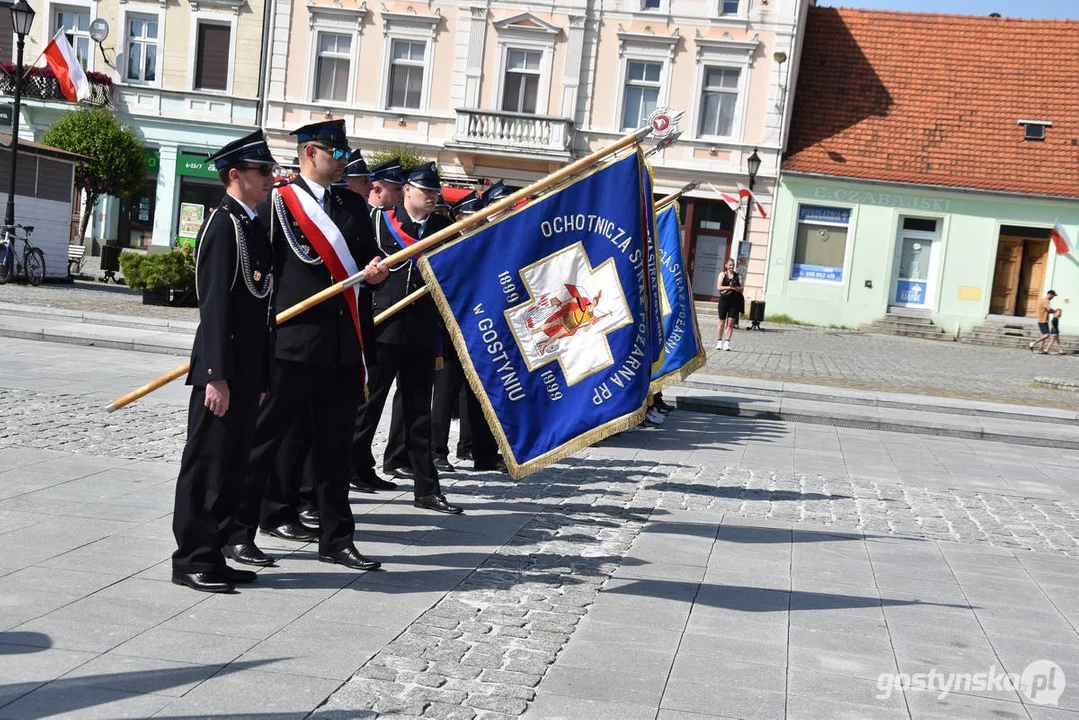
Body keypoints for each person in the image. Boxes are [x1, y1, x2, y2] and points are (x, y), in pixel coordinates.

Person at [225, 119, 389, 572]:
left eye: (343, 155)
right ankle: (239, 532)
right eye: (335, 153)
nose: (341, 161)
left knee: (335, 449)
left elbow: (371, 264)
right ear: (310, 152)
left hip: (341, 347)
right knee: (263, 442)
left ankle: (337, 539)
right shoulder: (277, 203)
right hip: (291, 346)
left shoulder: (354, 206)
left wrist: (378, 272)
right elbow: (258, 274)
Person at [171, 130, 278, 594]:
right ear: (236, 175)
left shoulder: (252, 223)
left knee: (233, 467)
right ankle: (192, 557)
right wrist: (216, 375)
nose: (271, 178)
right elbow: (214, 307)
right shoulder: (223, 226)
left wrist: (260, 374)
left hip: (247, 367)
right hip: (223, 370)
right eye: (263, 171)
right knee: (207, 464)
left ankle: (214, 550)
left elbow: (263, 308)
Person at [351, 162, 464, 513]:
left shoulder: (445, 228)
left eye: (435, 192)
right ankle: (352, 468)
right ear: (407, 190)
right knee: (367, 407)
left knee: (418, 413)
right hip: (384, 329)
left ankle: (427, 489)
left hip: (422, 331)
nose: (431, 197)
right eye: (425, 191)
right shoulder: (379, 221)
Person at [715, 257, 743, 351]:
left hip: (734, 301)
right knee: (721, 322)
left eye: (733, 265)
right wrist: (729, 287)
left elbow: (741, 288)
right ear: (726, 265)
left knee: (730, 323)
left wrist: (734, 287)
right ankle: (719, 342)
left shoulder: (738, 276)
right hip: (724, 300)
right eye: (730, 265)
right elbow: (719, 287)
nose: (731, 267)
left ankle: (727, 343)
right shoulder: (723, 274)